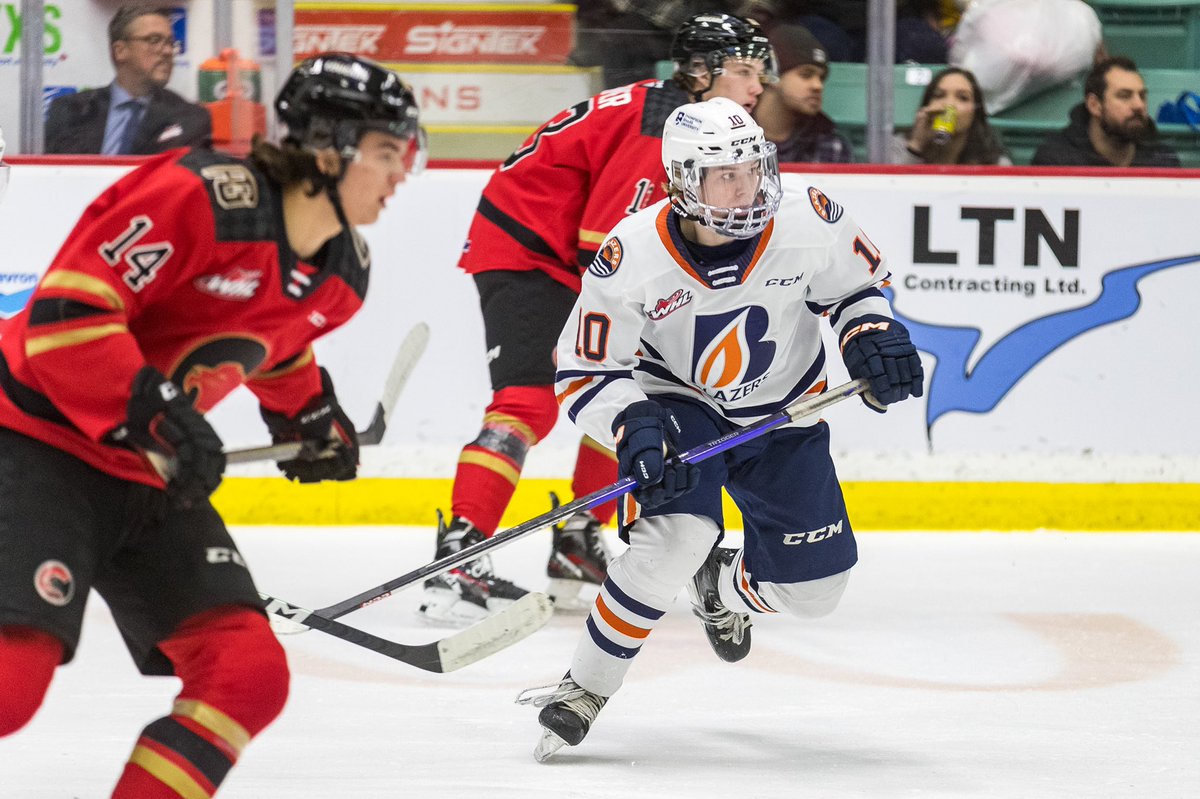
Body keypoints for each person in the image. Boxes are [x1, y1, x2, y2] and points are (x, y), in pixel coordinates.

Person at [0, 53, 425, 797]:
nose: (401, 174)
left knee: (246, 671)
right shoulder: (200, 196)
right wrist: (157, 410)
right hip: (36, 440)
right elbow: (66, 315)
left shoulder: (342, 272)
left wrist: (309, 414)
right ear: (327, 146)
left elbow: (275, 337)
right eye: (387, 152)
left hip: (147, 467)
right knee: (11, 682)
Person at [518, 96, 923, 760]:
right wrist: (632, 422)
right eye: (724, 174)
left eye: (751, 168)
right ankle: (583, 687)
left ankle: (724, 586)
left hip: (785, 412)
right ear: (683, 181)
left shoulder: (807, 218)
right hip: (683, 408)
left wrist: (871, 334)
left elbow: (857, 289)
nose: (745, 187)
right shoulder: (633, 253)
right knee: (675, 538)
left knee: (816, 592)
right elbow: (586, 368)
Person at [419, 12, 779, 626]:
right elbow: (605, 249)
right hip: (527, 254)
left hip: (560, 255)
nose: (755, 88)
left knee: (624, 385)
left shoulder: (674, 117)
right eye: (742, 71)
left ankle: (577, 537)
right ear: (698, 74)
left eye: (758, 74)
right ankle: (460, 549)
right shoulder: (659, 128)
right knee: (528, 402)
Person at [45, 4, 211, 155]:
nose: (167, 51)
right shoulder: (70, 111)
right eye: (154, 40)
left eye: (170, 42)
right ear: (120, 51)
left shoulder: (191, 119)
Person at [1031, 56, 1181, 168]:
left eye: (1142, 96)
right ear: (1094, 105)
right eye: (1124, 96)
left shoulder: (1163, 160)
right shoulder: (1056, 161)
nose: (1139, 105)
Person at [755, 22, 853, 162]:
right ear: (772, 76)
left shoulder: (831, 145)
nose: (818, 86)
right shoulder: (730, 135)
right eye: (806, 75)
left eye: (822, 78)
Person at [891, 66, 1012, 165]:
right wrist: (916, 145)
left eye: (962, 98)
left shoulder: (996, 164)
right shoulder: (897, 147)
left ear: (975, 111)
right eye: (939, 96)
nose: (949, 104)